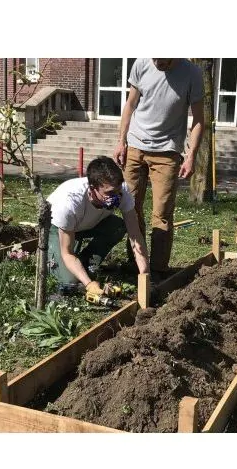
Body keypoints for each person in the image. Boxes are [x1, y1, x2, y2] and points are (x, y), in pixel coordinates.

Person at [113, 58, 204, 278]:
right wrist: (121, 141)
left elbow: (199, 119)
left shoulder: (192, 74)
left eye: (161, 58)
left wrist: (191, 155)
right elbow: (130, 104)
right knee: (131, 207)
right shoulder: (142, 64)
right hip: (135, 147)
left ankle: (159, 270)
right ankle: (136, 263)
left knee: (161, 214)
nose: (156, 62)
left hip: (167, 152)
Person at [45, 156, 150, 301]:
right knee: (70, 281)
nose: (116, 198)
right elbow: (67, 253)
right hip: (58, 227)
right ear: (93, 189)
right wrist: (89, 284)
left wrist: (144, 273)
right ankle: (51, 260)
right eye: (109, 194)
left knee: (118, 226)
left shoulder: (121, 191)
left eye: (118, 192)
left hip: (88, 224)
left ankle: (85, 263)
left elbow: (135, 235)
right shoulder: (68, 204)